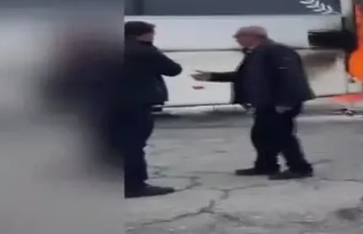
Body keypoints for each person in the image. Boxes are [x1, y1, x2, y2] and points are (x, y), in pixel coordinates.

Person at [191, 26, 315, 180]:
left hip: (279, 102)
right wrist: (211, 76)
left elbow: (290, 77)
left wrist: (285, 102)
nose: (236, 40)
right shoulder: (256, 52)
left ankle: (300, 168)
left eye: (239, 36)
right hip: (265, 102)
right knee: (260, 135)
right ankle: (266, 165)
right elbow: (244, 76)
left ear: (254, 36)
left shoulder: (277, 51)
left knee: (282, 135)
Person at [119, 21, 183, 198]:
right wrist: (151, 47)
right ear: (143, 34)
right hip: (136, 104)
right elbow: (173, 69)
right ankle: (134, 185)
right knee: (134, 145)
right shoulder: (144, 50)